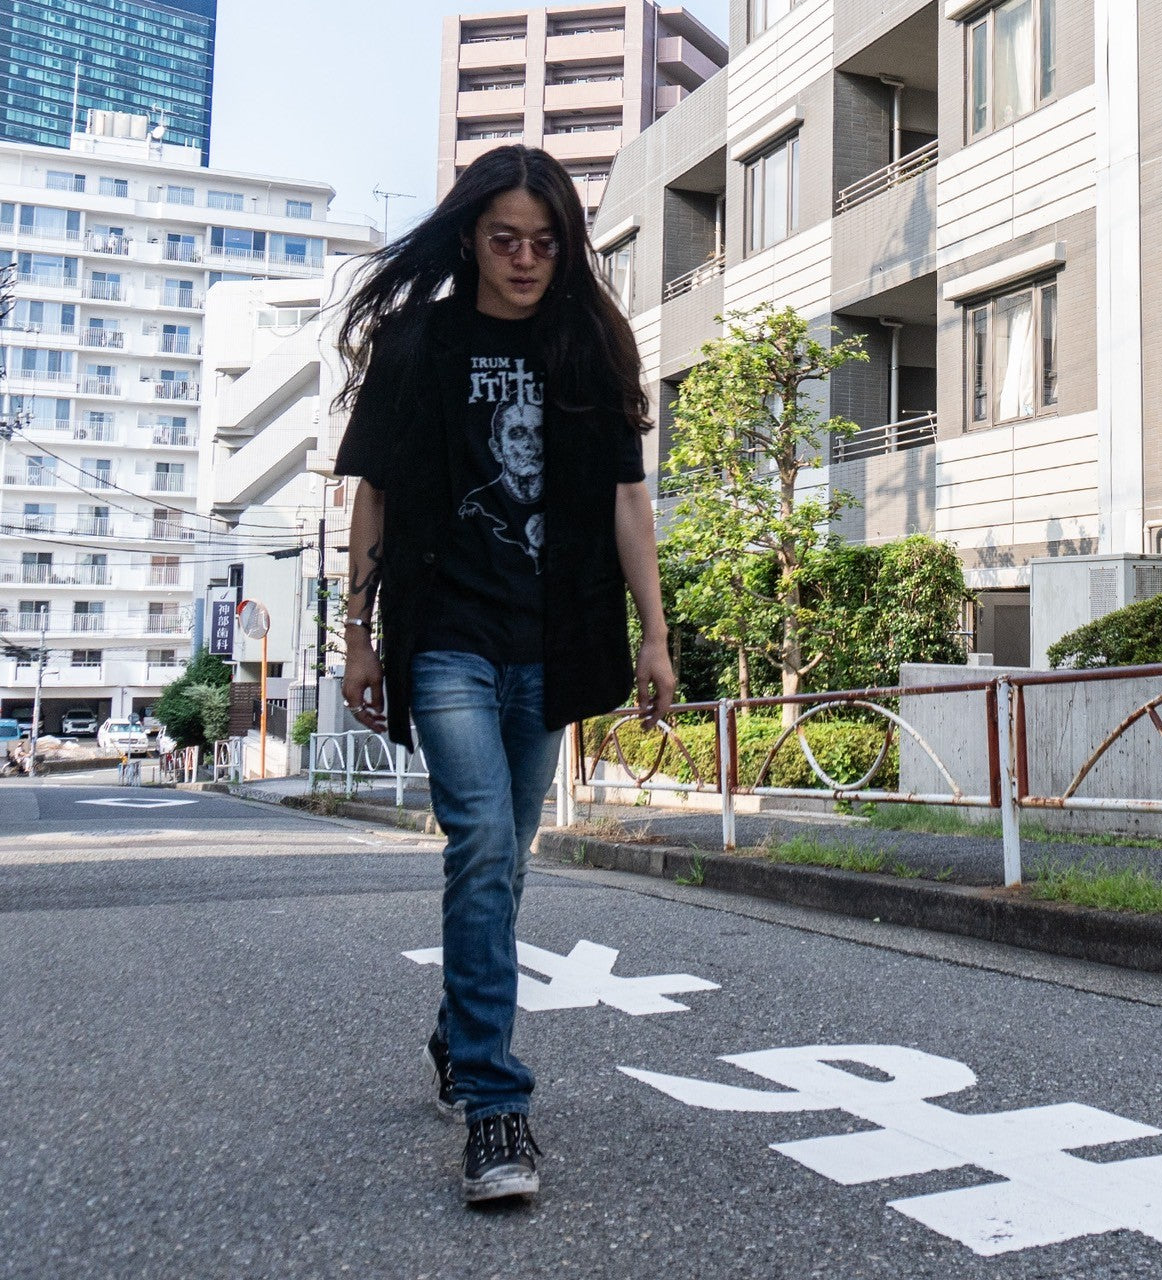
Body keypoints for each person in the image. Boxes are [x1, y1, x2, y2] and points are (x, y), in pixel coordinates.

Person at [333, 145, 675, 1204]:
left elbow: (626, 500)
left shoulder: (586, 345)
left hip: (553, 633)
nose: (525, 259)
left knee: (506, 857)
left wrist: (655, 633)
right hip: (445, 626)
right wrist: (356, 634)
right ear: (470, 236)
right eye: (504, 238)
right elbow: (374, 497)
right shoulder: (418, 342)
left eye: (544, 240)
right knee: (480, 836)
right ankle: (494, 1104)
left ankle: (455, 1029)